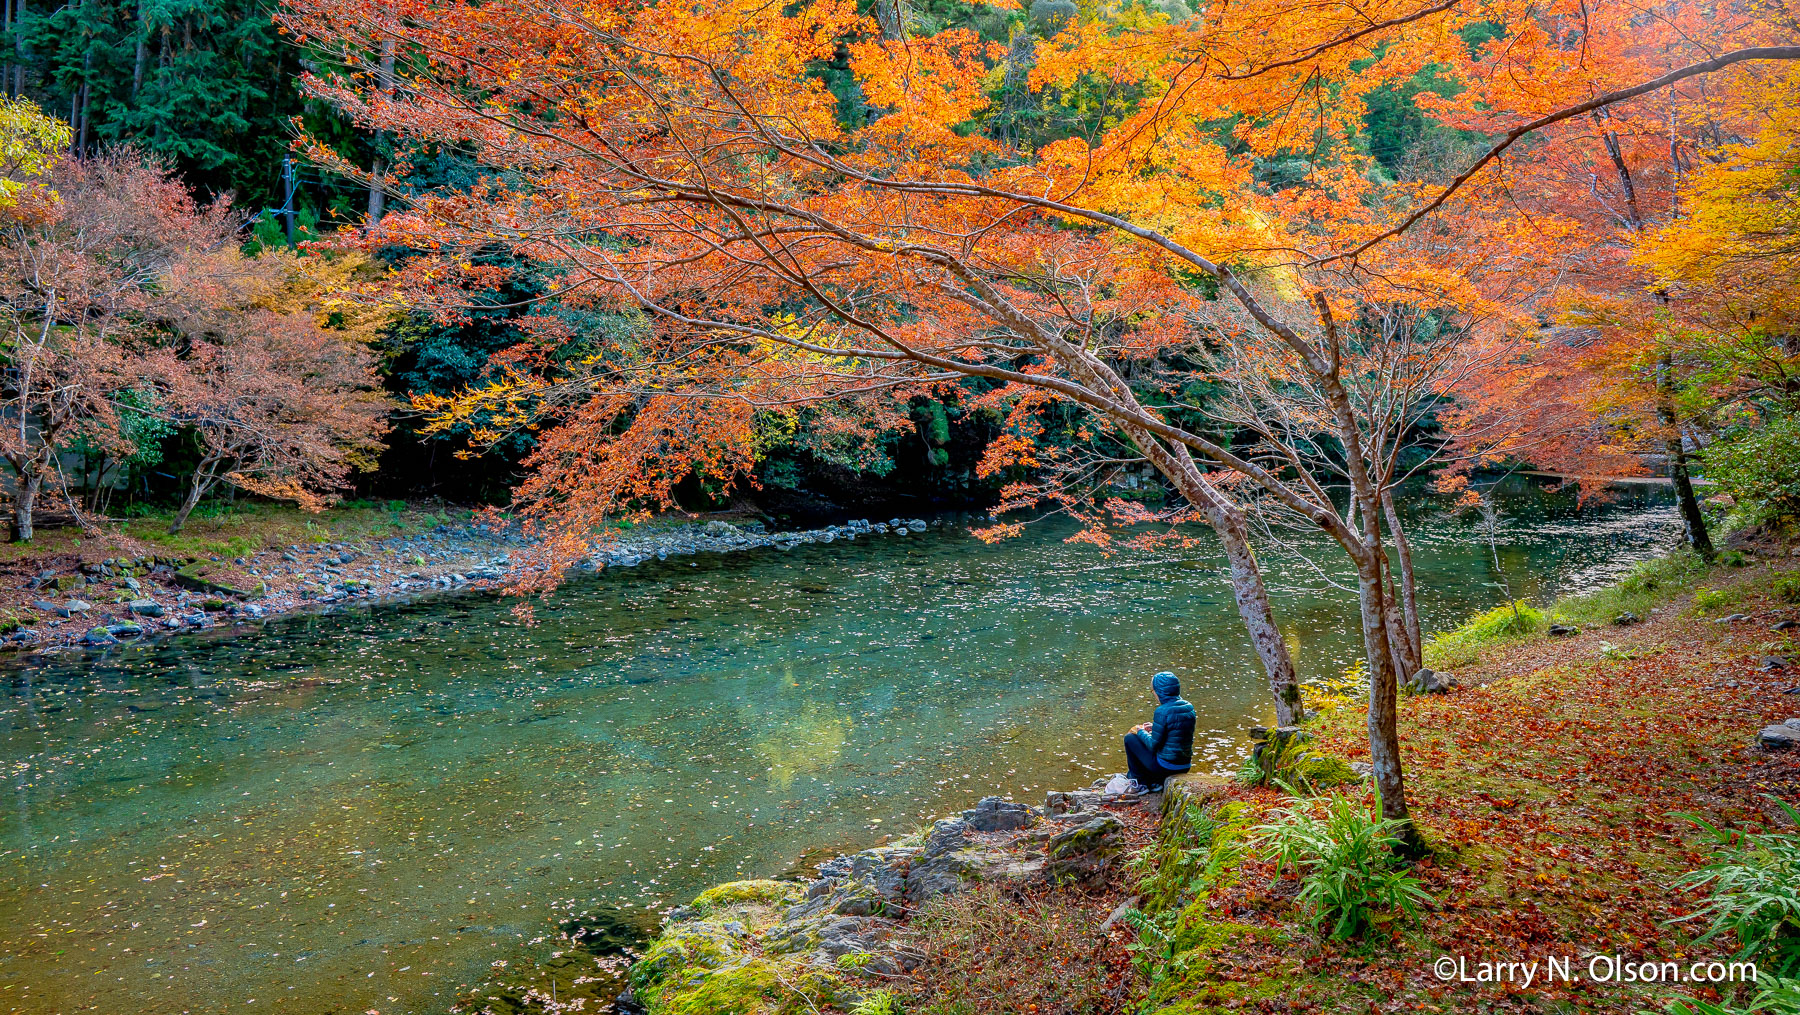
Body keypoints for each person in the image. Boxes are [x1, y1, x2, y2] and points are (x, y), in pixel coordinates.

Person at [1122, 671, 1195, 791]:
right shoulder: (1188, 707)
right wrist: (1154, 727)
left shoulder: (1162, 711)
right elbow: (1174, 733)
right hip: (1184, 765)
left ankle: (1140, 783)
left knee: (1130, 739)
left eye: (1153, 691)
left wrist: (1140, 731)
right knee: (1145, 744)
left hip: (1166, 767)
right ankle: (1156, 782)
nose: (1154, 694)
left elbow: (1152, 745)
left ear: (1160, 692)